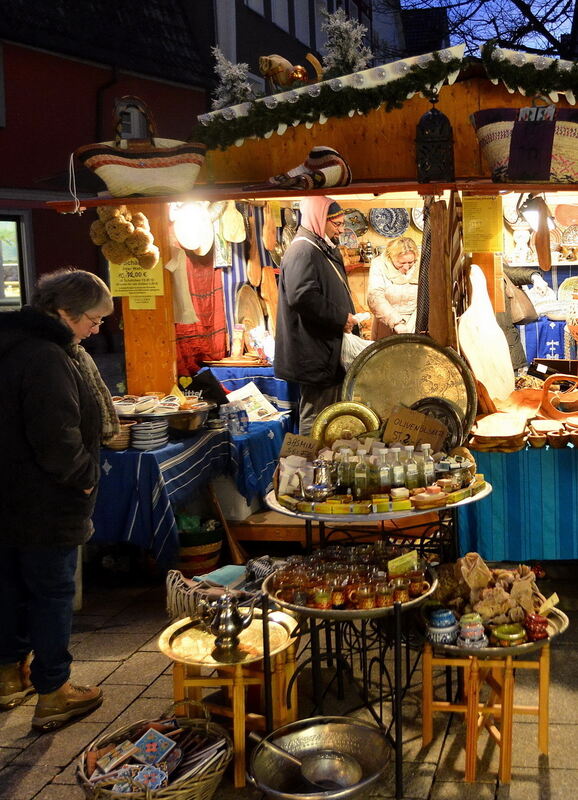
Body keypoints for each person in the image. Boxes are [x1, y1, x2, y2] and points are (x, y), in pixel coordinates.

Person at [0, 268, 120, 731]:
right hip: (47, 501)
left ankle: (9, 676)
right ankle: (54, 690)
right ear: (63, 311)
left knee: (9, 585)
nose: (97, 329)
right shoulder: (48, 357)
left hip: (8, 496)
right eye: (92, 319)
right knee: (51, 592)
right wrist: (85, 477)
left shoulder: (10, 344)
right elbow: (58, 436)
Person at [275, 197, 358, 436]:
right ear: (319, 219)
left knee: (328, 415)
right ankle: (306, 468)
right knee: (316, 418)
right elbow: (303, 296)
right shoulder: (303, 250)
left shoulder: (319, 247)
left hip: (324, 351)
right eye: (337, 224)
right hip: (314, 353)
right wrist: (341, 317)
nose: (341, 230)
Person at [367, 236, 420, 339]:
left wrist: (414, 322)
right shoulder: (379, 264)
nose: (406, 267)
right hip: (386, 324)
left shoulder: (421, 264)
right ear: (392, 257)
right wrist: (396, 322)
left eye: (410, 262)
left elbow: (428, 297)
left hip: (415, 324)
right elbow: (375, 297)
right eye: (401, 263)